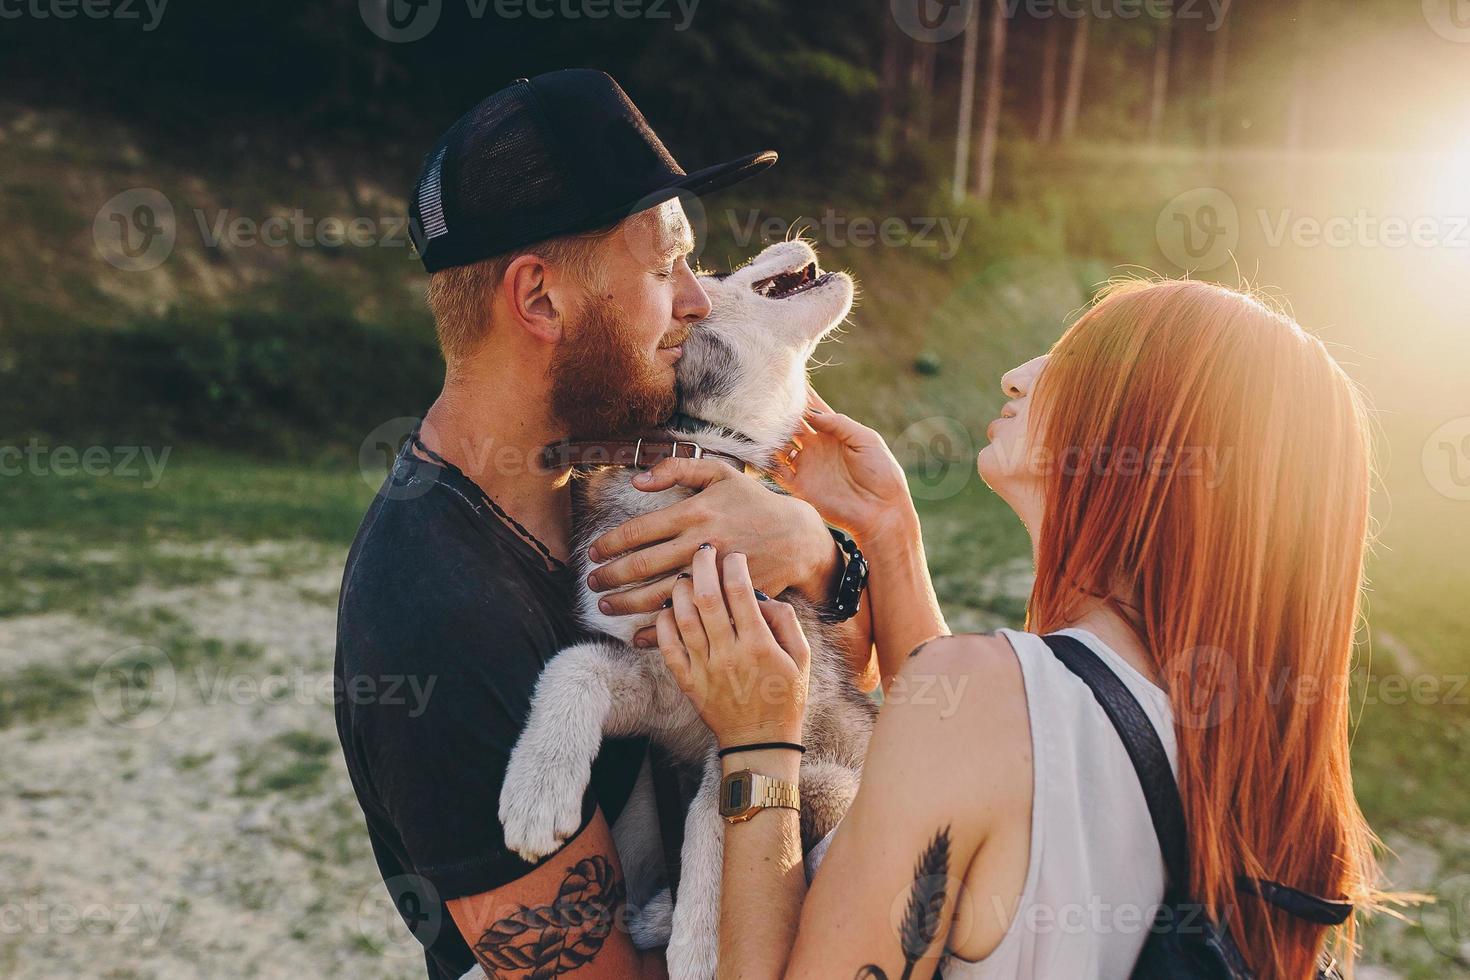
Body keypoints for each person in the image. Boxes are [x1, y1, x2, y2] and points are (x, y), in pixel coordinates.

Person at [655, 279, 1382, 979]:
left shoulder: (991, 701)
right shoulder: (1216, 728)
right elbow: (978, 764)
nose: (1016, 375)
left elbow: (968, 736)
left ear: (1148, 437)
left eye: (1072, 363)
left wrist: (757, 744)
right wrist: (887, 534)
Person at [333, 70, 874, 980]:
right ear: (540, 301)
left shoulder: (606, 483)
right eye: (665, 270)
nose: (697, 301)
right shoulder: (431, 612)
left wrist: (818, 554)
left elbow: (838, 686)